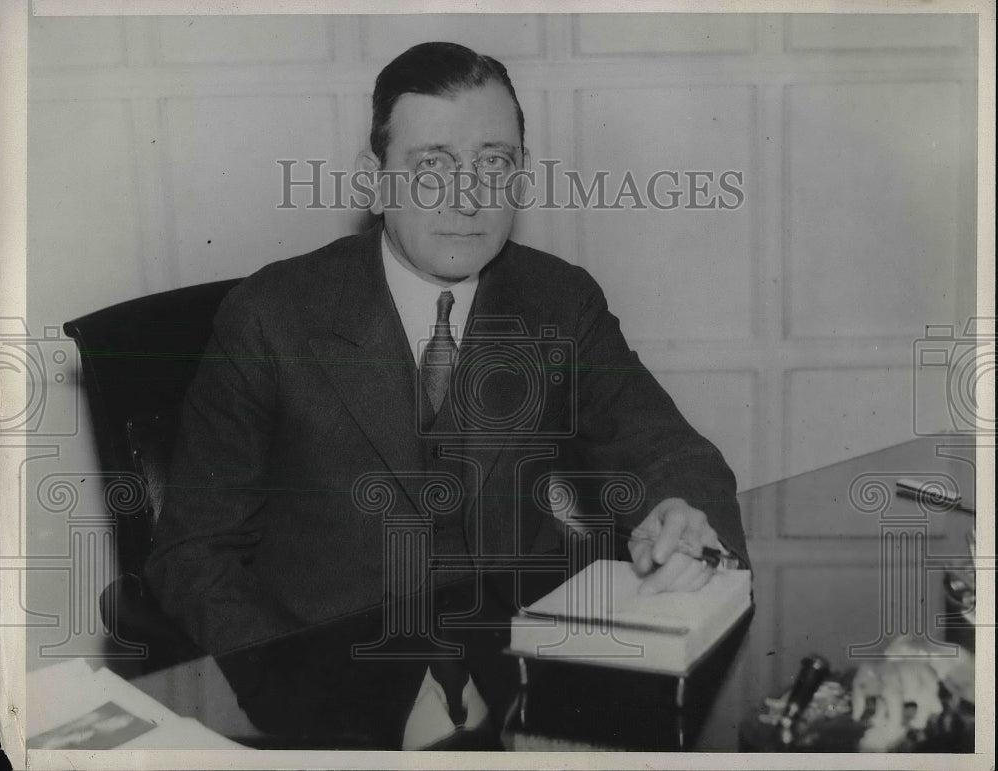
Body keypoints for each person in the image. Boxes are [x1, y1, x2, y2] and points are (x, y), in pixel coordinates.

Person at [144, 41, 749, 749]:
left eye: (494, 163)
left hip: (521, 680)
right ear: (374, 182)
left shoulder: (559, 302)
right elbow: (193, 551)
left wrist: (680, 516)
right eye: (432, 166)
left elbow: (672, 451)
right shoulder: (272, 316)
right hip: (334, 689)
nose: (468, 197)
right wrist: (295, 696)